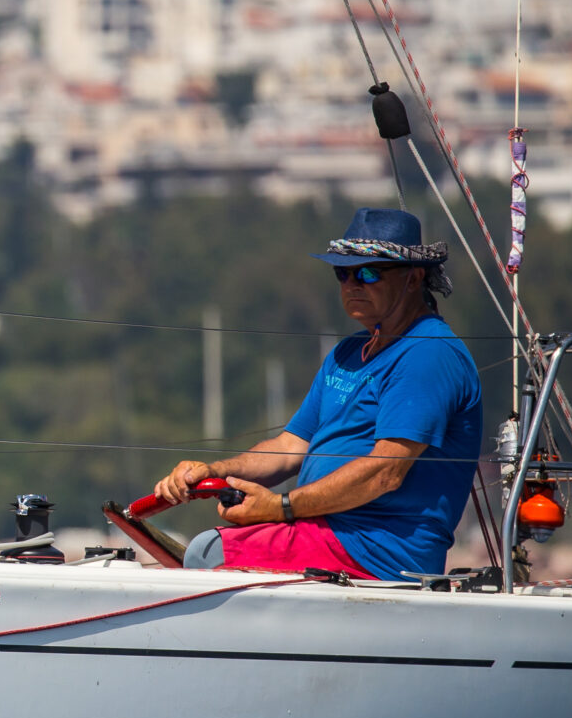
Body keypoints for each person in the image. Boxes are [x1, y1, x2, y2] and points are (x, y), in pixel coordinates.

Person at [152, 208, 484, 580]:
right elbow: (290, 447)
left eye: (369, 272)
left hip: (378, 552)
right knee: (193, 555)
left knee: (208, 552)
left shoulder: (428, 352)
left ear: (413, 279)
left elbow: (385, 473)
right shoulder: (347, 352)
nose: (352, 284)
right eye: (342, 273)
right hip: (323, 534)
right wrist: (215, 471)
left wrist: (280, 506)